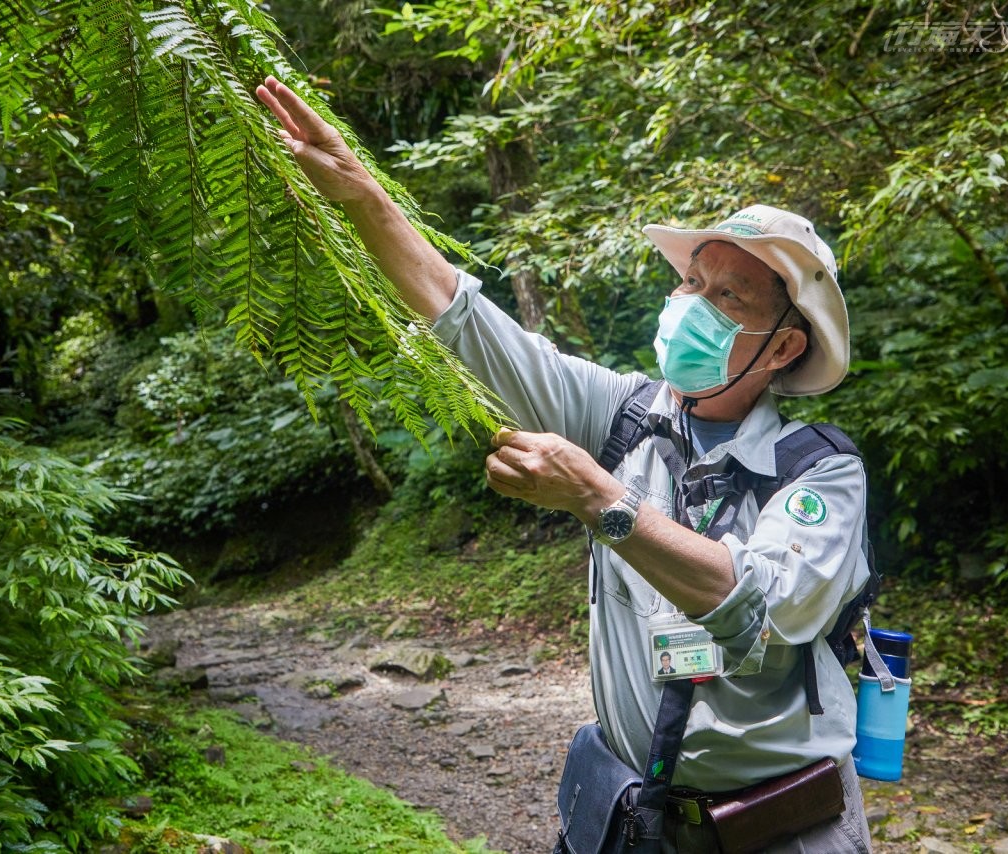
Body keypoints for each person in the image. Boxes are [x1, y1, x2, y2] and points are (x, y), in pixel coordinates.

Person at [256, 76, 873, 853]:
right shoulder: (621, 416)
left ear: (784, 345)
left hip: (779, 834)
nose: (693, 304)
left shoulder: (821, 474)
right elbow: (466, 322)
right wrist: (363, 196)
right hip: (634, 823)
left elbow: (756, 608)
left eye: (731, 298)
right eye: (691, 281)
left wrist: (599, 499)